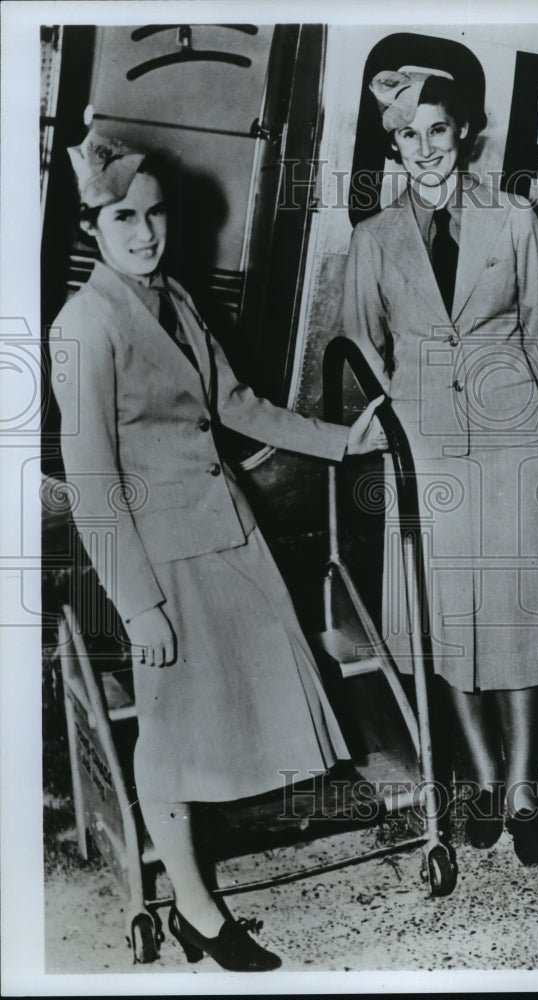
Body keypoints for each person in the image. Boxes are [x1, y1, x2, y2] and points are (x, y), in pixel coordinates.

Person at [51, 130, 387, 971]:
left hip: (223, 530)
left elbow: (238, 405)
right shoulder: (84, 327)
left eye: (156, 213)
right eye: (123, 217)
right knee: (168, 736)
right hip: (160, 556)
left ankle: (201, 897)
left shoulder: (177, 299)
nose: (145, 232)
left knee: (214, 723)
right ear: (93, 226)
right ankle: (197, 910)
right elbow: (91, 481)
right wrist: (137, 602)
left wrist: (345, 441)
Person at [343, 67, 538, 865]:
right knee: (448, 623)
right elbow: (363, 347)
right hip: (424, 448)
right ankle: (479, 774)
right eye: (408, 135)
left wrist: (508, 406)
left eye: (439, 130)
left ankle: (525, 788)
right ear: (393, 146)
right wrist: (402, 426)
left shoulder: (514, 221)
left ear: (463, 132)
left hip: (506, 441)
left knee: (517, 615)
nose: (426, 149)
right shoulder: (372, 238)